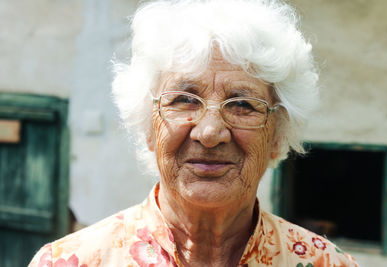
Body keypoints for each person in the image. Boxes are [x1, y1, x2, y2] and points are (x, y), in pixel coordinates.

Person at [29, 0, 359, 266]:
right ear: (148, 126)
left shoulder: (326, 264)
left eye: (242, 104)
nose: (210, 132)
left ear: (277, 135)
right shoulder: (69, 262)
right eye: (184, 100)